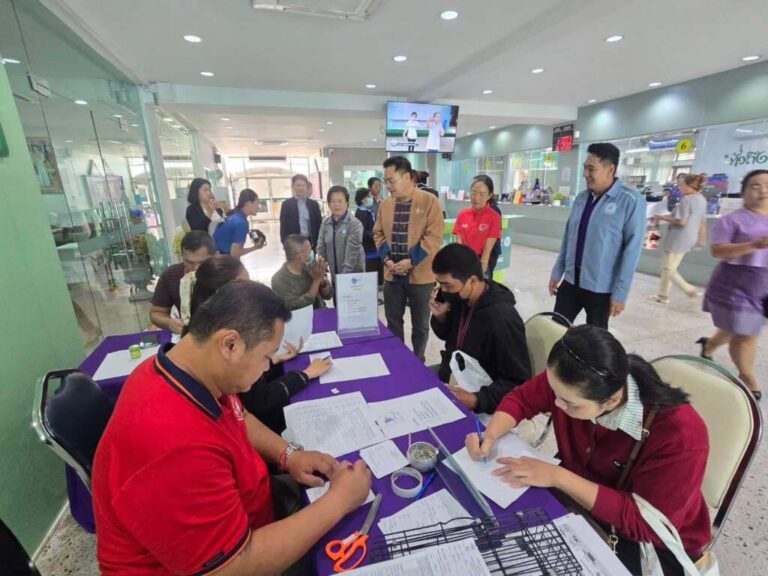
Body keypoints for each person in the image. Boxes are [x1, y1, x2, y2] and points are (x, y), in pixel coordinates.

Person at [93, 280, 372, 575]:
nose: (267, 368)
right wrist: (340, 501)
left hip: (248, 510)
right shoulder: (174, 444)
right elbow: (233, 566)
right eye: (266, 357)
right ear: (230, 344)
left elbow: (240, 416)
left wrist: (288, 454)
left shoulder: (189, 369)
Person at [467, 325, 711, 575]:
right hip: (580, 504)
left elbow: (647, 525)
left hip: (649, 545)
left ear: (612, 400)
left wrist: (558, 476)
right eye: (554, 393)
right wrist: (491, 434)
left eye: (570, 404)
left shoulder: (680, 435)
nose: (556, 404)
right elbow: (522, 399)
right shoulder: (573, 378)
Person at [188, 256, 332, 433]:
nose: (251, 295)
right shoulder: (231, 344)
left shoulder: (205, 330)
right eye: (244, 288)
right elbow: (257, 401)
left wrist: (273, 359)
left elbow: (243, 410)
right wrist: (304, 375)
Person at [549, 143, 646, 329]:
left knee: (596, 339)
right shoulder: (582, 198)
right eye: (585, 168)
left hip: (601, 289)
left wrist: (620, 292)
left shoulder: (630, 201)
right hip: (571, 281)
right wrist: (557, 271)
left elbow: (632, 251)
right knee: (556, 330)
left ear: (610, 169)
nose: (585, 174)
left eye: (591, 169)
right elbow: (568, 238)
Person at [430, 244, 531, 414]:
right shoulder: (461, 299)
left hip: (482, 395)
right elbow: (447, 335)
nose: (444, 292)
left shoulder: (502, 319)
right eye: (440, 285)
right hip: (452, 376)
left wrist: (476, 400)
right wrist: (441, 318)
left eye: (448, 286)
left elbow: (518, 383)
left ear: (472, 281)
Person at [698, 169, 768, 400]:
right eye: (755, 185)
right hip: (735, 285)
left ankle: (709, 346)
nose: (763, 190)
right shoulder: (732, 220)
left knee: (733, 328)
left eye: (767, 185)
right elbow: (718, 250)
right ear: (744, 192)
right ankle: (747, 376)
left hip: (764, 287)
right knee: (746, 332)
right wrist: (755, 245)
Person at [374, 156, 444, 361]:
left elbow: (433, 237)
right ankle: (398, 360)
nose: (388, 186)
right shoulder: (385, 205)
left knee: (420, 324)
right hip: (392, 274)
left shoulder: (429, 201)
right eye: (386, 181)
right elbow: (378, 233)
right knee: (393, 321)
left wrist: (410, 261)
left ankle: (418, 360)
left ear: (407, 177)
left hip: (421, 276)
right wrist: (387, 260)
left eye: (391, 180)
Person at [649, 173, 708, 304]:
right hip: (690, 237)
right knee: (671, 267)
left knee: (667, 268)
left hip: (678, 237)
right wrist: (702, 238)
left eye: (681, 185)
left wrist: (661, 217)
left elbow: (681, 221)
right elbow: (702, 221)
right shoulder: (702, 199)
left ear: (689, 186)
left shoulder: (686, 200)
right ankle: (663, 295)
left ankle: (688, 289)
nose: (679, 188)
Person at [150, 231, 214, 333]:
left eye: (202, 262)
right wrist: (169, 323)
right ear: (182, 257)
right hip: (188, 334)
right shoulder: (171, 275)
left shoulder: (225, 274)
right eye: (189, 262)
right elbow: (156, 312)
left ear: (214, 256)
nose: (196, 268)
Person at [453, 175, 502, 277]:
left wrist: (483, 264)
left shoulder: (494, 217)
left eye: (482, 194)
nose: (476, 198)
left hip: (480, 261)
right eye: (473, 193)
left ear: (489, 195)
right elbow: (459, 241)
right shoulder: (462, 214)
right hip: (464, 261)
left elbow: (489, 245)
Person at [317, 186, 365, 285]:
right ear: (329, 204)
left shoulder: (355, 224)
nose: (337, 205)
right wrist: (322, 270)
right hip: (335, 276)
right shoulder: (325, 223)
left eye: (340, 201)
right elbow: (321, 248)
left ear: (347, 203)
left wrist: (343, 280)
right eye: (333, 201)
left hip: (353, 278)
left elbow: (351, 256)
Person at [272, 234, 333, 310]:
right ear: (302, 257)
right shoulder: (279, 280)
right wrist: (316, 281)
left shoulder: (312, 268)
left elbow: (328, 295)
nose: (312, 252)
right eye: (310, 250)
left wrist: (322, 281)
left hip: (321, 313)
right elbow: (297, 306)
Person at [213, 188, 265, 258]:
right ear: (248, 203)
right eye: (257, 203)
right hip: (222, 259)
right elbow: (235, 253)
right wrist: (254, 248)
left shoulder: (234, 216)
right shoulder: (241, 223)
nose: (258, 207)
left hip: (215, 255)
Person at [280, 174, 322, 248]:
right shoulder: (286, 204)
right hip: (294, 242)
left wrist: (319, 242)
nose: (301, 188)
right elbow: (283, 226)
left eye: (303, 185)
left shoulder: (314, 204)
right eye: (298, 185)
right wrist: (285, 243)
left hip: (311, 241)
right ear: (293, 186)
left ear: (307, 187)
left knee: (311, 256)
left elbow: (319, 224)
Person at [354, 187, 382, 282]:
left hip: (373, 247)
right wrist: (374, 234)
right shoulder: (361, 213)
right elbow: (363, 232)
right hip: (368, 249)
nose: (371, 198)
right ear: (362, 199)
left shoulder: (367, 210)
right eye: (369, 196)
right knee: (371, 275)